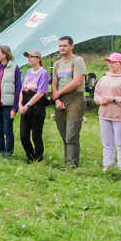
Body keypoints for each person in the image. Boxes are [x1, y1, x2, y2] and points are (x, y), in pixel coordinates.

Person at [93, 52, 121, 173]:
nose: (111, 65)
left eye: (114, 62)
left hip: (120, 116)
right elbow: (97, 93)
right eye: (109, 62)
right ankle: (107, 164)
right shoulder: (104, 79)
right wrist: (99, 100)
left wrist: (115, 99)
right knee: (107, 142)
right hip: (104, 114)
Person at [51, 36, 87, 167]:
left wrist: (58, 93)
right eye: (60, 46)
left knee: (72, 134)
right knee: (63, 132)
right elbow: (54, 83)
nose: (62, 48)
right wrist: (57, 99)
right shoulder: (57, 64)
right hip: (60, 99)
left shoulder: (78, 61)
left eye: (64, 46)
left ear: (72, 46)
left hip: (75, 98)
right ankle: (67, 161)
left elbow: (76, 82)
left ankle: (72, 164)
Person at [18, 50, 51, 163]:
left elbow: (41, 92)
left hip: (37, 106)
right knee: (23, 135)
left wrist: (28, 105)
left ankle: (38, 157)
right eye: (28, 57)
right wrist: (20, 104)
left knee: (36, 134)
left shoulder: (43, 73)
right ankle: (30, 154)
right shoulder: (28, 72)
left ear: (38, 59)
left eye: (32, 57)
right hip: (26, 103)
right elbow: (22, 90)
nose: (29, 59)